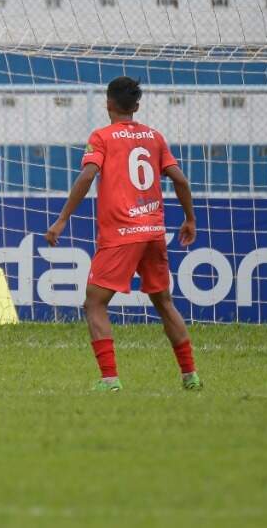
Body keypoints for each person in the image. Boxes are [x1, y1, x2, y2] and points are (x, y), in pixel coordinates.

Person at [45, 77, 201, 391]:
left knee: (95, 303)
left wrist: (62, 219)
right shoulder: (155, 137)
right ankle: (190, 375)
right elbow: (181, 181)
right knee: (164, 302)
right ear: (137, 107)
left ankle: (110, 379)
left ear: (108, 104)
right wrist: (190, 219)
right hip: (154, 231)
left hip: (122, 233)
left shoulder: (102, 137)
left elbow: (87, 176)